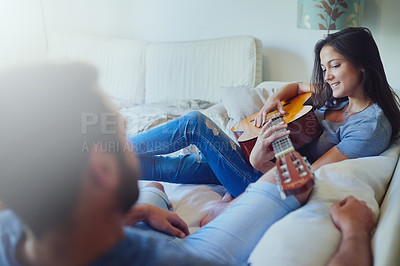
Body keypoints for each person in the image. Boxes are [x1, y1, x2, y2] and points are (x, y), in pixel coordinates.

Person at [0, 63, 375, 266]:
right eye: (121, 137)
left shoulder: (10, 228)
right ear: (102, 170)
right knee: (288, 183)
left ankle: (153, 193)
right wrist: (356, 232)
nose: (327, 73)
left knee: (157, 185)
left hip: (128, 223)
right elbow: (296, 173)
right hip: (188, 248)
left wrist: (138, 211)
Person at [130, 27, 400, 224]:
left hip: (269, 180)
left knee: (195, 124)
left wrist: (260, 161)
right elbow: (295, 87)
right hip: (266, 163)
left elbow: (308, 179)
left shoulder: (370, 127)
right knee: (179, 166)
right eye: (323, 67)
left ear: (363, 64)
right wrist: (273, 101)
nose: (327, 76)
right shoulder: (339, 98)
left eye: (334, 66)